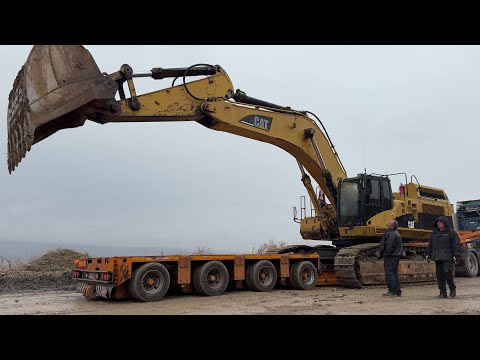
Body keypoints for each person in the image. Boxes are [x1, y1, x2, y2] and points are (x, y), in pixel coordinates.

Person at [426, 216, 461, 299]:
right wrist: (428, 254)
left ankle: (452, 289)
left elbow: (456, 244)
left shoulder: (451, 232)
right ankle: (442, 292)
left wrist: (455, 255)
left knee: (447, 273)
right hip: (437, 257)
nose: (439, 223)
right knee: (440, 276)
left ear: (444, 223)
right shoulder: (434, 234)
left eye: (440, 222)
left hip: (448, 256)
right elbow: (430, 245)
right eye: (438, 222)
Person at [378, 220, 403, 297]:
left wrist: (384, 254)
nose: (387, 224)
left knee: (390, 273)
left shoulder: (391, 234)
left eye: (388, 224)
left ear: (392, 226)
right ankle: (397, 291)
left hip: (390, 256)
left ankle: (392, 291)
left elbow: (389, 246)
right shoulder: (395, 233)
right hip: (395, 256)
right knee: (394, 273)